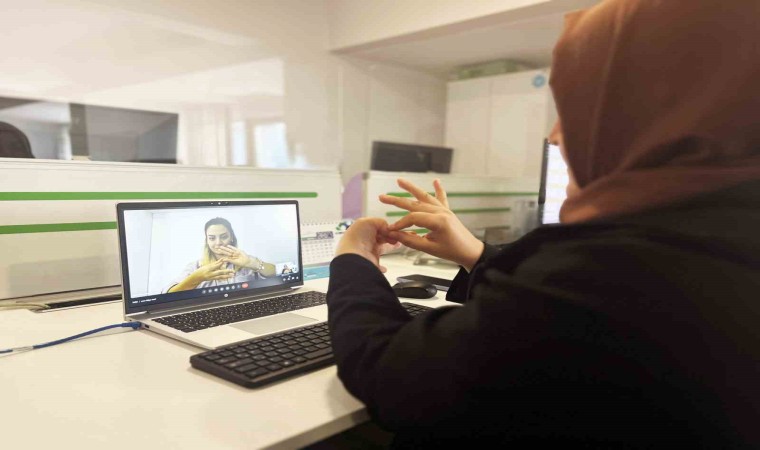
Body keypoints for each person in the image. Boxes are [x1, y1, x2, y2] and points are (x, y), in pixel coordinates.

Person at [326, 1, 760, 448]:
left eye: (578, 108)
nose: (554, 136)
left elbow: (391, 375)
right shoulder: (722, 235)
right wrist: (476, 255)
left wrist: (353, 258)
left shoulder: (622, 268)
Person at [166, 217, 275, 293]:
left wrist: (252, 263)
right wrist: (198, 277)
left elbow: (275, 273)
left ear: (232, 237)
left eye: (223, 237)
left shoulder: (246, 260)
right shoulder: (195, 267)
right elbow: (168, 294)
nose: (218, 243)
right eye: (212, 238)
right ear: (207, 241)